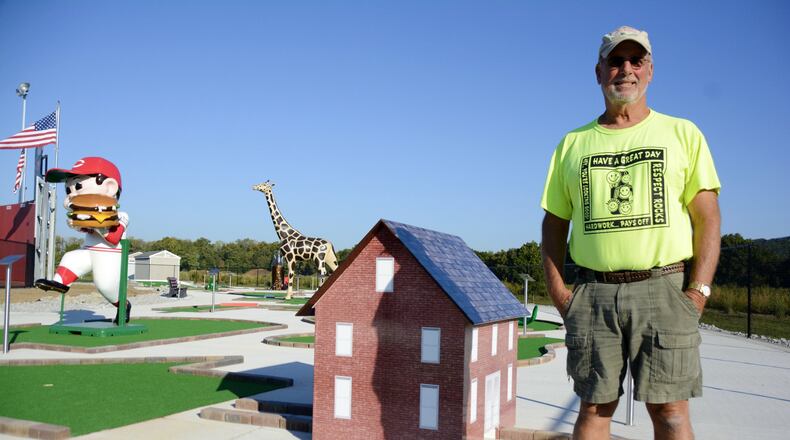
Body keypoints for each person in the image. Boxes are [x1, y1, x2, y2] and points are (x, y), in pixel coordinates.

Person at [540, 26, 721, 440]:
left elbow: (708, 217)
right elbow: (554, 223)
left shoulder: (682, 133)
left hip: (664, 288)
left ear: (650, 70)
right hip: (593, 293)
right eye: (615, 61)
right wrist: (560, 294)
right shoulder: (573, 143)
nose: (626, 70)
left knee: (670, 411)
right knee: (594, 408)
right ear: (598, 71)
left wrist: (699, 292)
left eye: (635, 61)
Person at [35, 157, 132, 324]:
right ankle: (60, 283)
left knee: (105, 286)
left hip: (109, 256)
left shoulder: (121, 216)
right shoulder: (86, 213)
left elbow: (114, 238)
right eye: (69, 189)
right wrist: (79, 223)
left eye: (78, 186)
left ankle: (123, 305)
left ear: (110, 187)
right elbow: (85, 229)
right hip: (90, 250)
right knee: (71, 257)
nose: (73, 193)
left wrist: (97, 223)